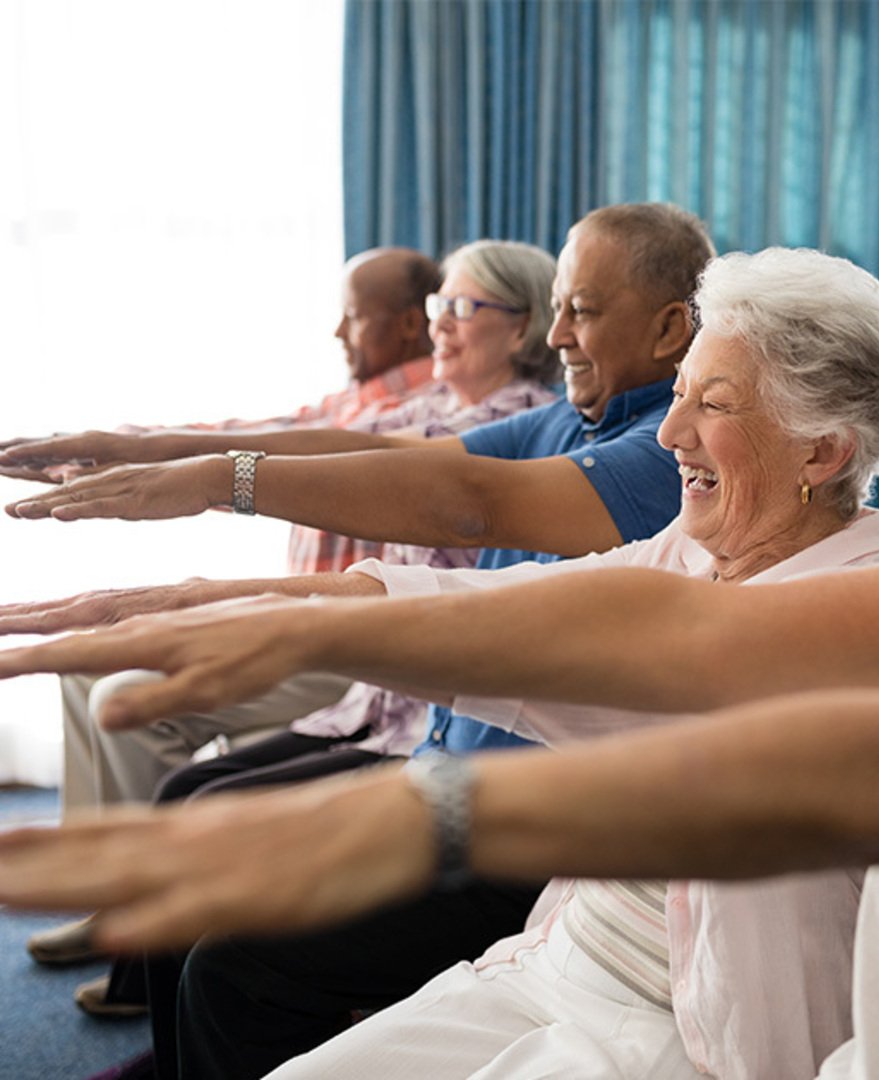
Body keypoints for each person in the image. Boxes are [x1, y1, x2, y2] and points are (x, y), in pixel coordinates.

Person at [3, 209, 879, 1079]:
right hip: (554, 956)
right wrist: (246, 595)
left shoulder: (865, 607)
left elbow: (719, 673)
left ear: (823, 452)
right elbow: (491, 584)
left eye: (708, 404)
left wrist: (421, 807)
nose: (666, 433)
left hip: (687, 1029)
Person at [0, 203, 712, 1076]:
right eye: (558, 306)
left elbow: (467, 504)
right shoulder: (577, 422)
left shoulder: (659, 455)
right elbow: (373, 449)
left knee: (234, 951)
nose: (559, 333)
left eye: (584, 311)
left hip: (525, 819)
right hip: (442, 767)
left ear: (673, 326)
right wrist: (150, 454)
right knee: (213, 879)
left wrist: (214, 507)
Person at [28, 236, 559, 1014]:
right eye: (438, 304)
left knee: (198, 798)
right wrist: (134, 454)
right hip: (369, 693)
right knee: (186, 781)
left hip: (413, 700)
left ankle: (152, 976)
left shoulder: (521, 421)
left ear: (523, 328)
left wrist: (191, 486)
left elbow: (365, 459)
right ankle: (143, 964)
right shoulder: (431, 404)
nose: (442, 322)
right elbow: (306, 439)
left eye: (462, 307)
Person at [0, 245, 442, 575]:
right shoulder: (352, 400)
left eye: (354, 316)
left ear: (409, 324)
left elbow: (285, 455)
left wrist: (138, 454)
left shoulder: (430, 413)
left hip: (347, 636)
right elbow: (254, 432)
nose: (338, 331)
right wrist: (120, 447)